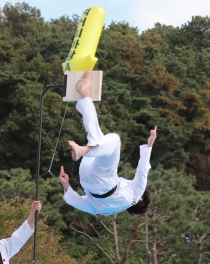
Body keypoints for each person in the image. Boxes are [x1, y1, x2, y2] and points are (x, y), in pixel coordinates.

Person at [59, 71, 154, 216]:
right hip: (85, 177)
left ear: (140, 200)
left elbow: (142, 172)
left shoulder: (135, 196)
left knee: (115, 140)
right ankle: (84, 94)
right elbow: (76, 202)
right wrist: (66, 184)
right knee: (96, 137)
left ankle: (83, 150)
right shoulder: (105, 212)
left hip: (104, 182)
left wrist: (149, 146)